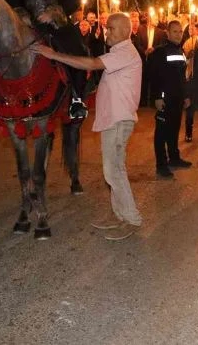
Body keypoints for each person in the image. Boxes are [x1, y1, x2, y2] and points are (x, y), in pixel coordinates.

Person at [32, 13, 143, 239]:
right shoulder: (118, 53)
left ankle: (132, 218)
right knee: (111, 170)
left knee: (115, 171)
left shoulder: (125, 52)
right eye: (106, 28)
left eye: (111, 28)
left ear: (124, 31)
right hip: (114, 120)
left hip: (119, 120)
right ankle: (119, 215)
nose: (106, 32)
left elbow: (91, 63)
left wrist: (54, 55)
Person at [4, 0, 89, 119]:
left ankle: (76, 99)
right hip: (26, 25)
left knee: (78, 50)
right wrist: (23, 16)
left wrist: (54, 13)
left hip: (57, 25)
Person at [148, 20, 192, 179]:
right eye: (175, 31)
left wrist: (186, 95)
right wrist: (157, 97)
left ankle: (174, 158)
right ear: (167, 32)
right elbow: (154, 77)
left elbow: (183, 77)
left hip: (177, 98)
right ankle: (161, 165)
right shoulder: (160, 52)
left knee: (174, 129)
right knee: (161, 132)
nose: (178, 34)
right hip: (165, 99)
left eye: (180, 32)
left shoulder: (180, 52)